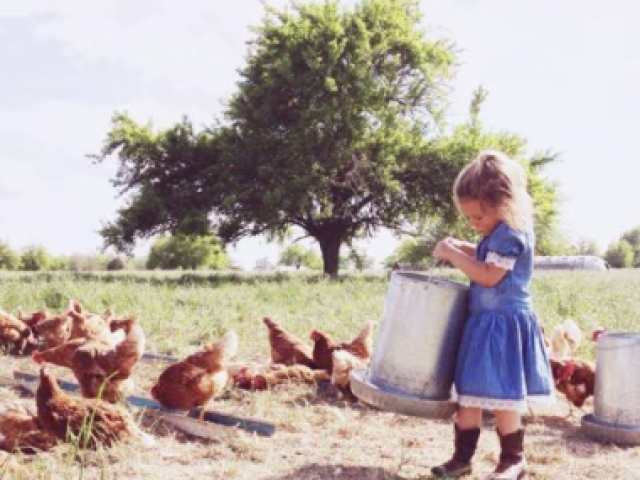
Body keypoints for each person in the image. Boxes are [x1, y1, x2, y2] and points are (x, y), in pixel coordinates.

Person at [430, 150, 553, 480]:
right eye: (469, 219)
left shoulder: (512, 234)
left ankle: (513, 460)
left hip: (503, 327)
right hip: (484, 323)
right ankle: (462, 458)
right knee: (468, 394)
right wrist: (462, 245)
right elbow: (485, 255)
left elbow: (488, 274)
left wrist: (453, 254)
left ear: (504, 204)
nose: (474, 225)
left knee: (503, 397)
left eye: (478, 218)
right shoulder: (495, 233)